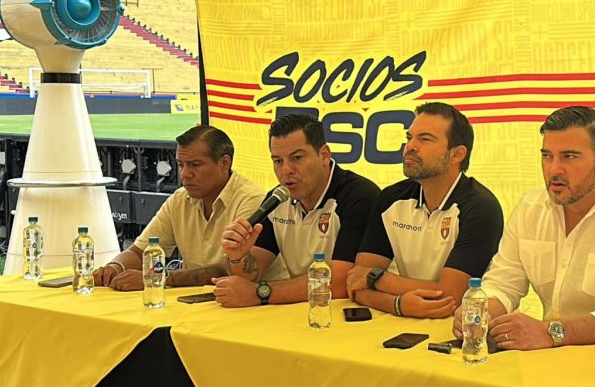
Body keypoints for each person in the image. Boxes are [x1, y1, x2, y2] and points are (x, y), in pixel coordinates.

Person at [453, 106, 595, 350]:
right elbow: (503, 282)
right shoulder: (530, 208)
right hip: (555, 357)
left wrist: (550, 332)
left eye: (569, 157)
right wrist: (481, 311)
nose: (554, 170)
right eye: (547, 156)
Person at [347, 102, 503, 318]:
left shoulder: (481, 207)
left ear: (457, 154)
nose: (410, 146)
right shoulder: (390, 199)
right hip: (399, 322)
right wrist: (399, 305)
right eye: (409, 137)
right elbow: (356, 283)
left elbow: (452, 296)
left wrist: (378, 279)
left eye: (425, 139)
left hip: (462, 330)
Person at [213, 113, 379, 307]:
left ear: (324, 155)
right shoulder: (277, 199)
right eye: (278, 161)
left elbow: (340, 283)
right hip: (303, 312)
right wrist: (238, 256)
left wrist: (260, 293)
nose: (286, 170)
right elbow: (252, 273)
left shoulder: (360, 197)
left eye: (297, 158)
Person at [92, 125, 283, 290]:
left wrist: (159, 277)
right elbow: (138, 252)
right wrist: (115, 267)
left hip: (250, 309)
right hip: (197, 303)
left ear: (225, 163)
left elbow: (229, 269)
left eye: (195, 165)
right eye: (181, 165)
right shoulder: (180, 199)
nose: (185, 174)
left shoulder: (252, 199)